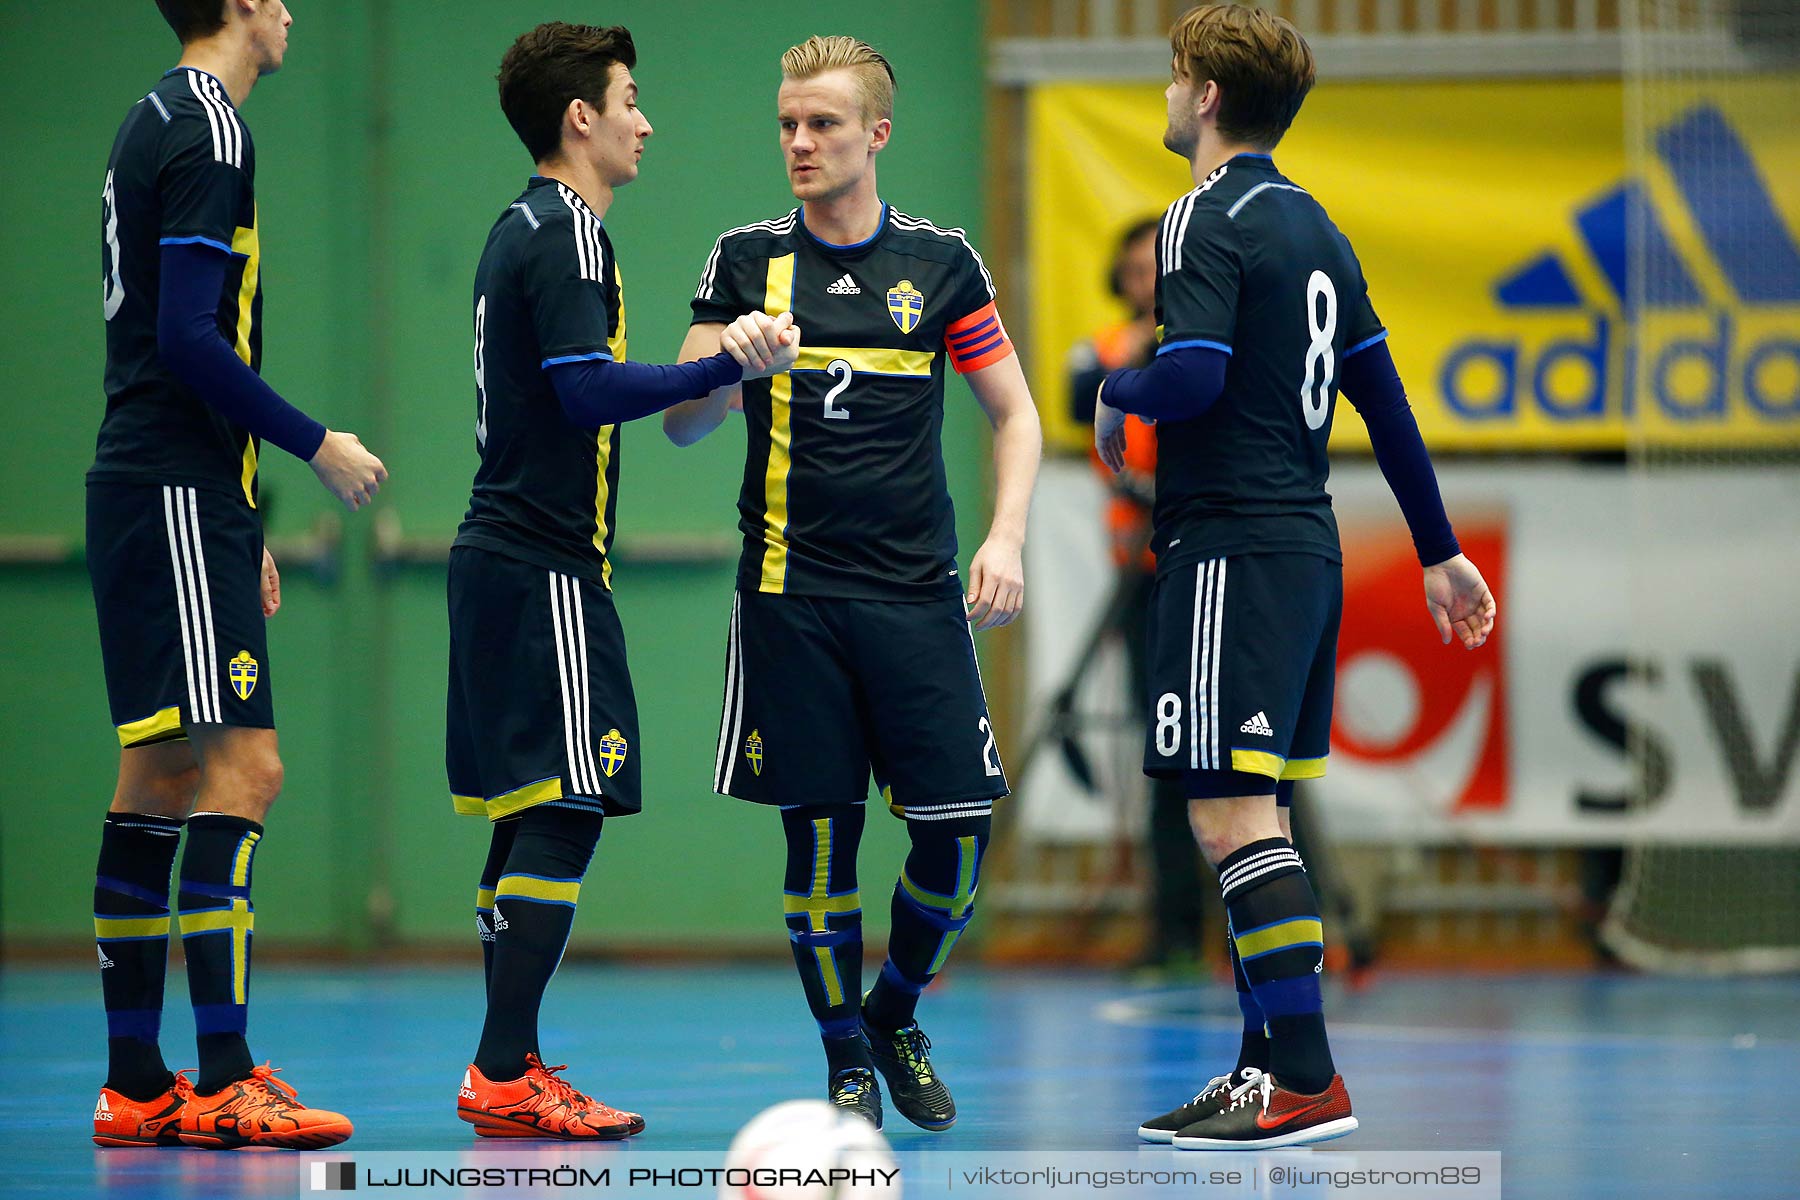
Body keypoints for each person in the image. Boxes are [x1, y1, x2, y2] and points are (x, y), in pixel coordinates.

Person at [1095, 5, 1496, 1150]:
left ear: (1206, 96)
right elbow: (1385, 399)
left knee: (1228, 818)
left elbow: (1197, 373)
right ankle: (1262, 1068)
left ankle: (1308, 1078)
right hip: (1300, 546)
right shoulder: (1316, 225)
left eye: (1176, 78)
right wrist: (1439, 549)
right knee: (1257, 811)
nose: (1168, 96)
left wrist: (1114, 396)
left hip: (1230, 548)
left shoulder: (1198, 218)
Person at [663, 35, 1042, 1130]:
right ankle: (844, 1061)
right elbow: (684, 427)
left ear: (876, 133)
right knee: (821, 838)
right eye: (787, 122)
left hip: (918, 599)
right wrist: (726, 361)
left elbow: (1016, 414)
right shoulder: (742, 260)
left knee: (958, 832)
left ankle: (894, 1008)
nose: (798, 142)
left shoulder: (940, 263)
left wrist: (1006, 536)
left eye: (822, 123)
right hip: (790, 600)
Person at [447, 21, 795, 1141]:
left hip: (513, 557)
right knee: (569, 804)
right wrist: (723, 361)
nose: (647, 120)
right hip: (541, 560)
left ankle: (510, 1065)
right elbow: (586, 391)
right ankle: (506, 1069)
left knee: (530, 811)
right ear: (579, 119)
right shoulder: (569, 236)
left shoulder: (533, 230)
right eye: (630, 99)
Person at [87, 0, 385, 1150]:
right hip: (171, 489)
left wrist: (240, 513)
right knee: (244, 770)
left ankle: (136, 1083)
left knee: (158, 773)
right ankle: (222, 1076)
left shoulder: (151, 115)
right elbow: (190, 340)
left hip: (162, 488)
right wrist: (318, 445)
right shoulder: (209, 124)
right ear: (246, 4)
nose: (294, 12)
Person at [1069, 217, 1209, 977]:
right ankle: (1173, 933)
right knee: (1163, 755)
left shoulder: (1204, 340)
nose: (1144, 281)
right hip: (1143, 572)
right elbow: (1079, 400)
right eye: (1132, 270)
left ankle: (1251, 935)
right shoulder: (1105, 349)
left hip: (1203, 563)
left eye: (1156, 267)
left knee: (1234, 758)